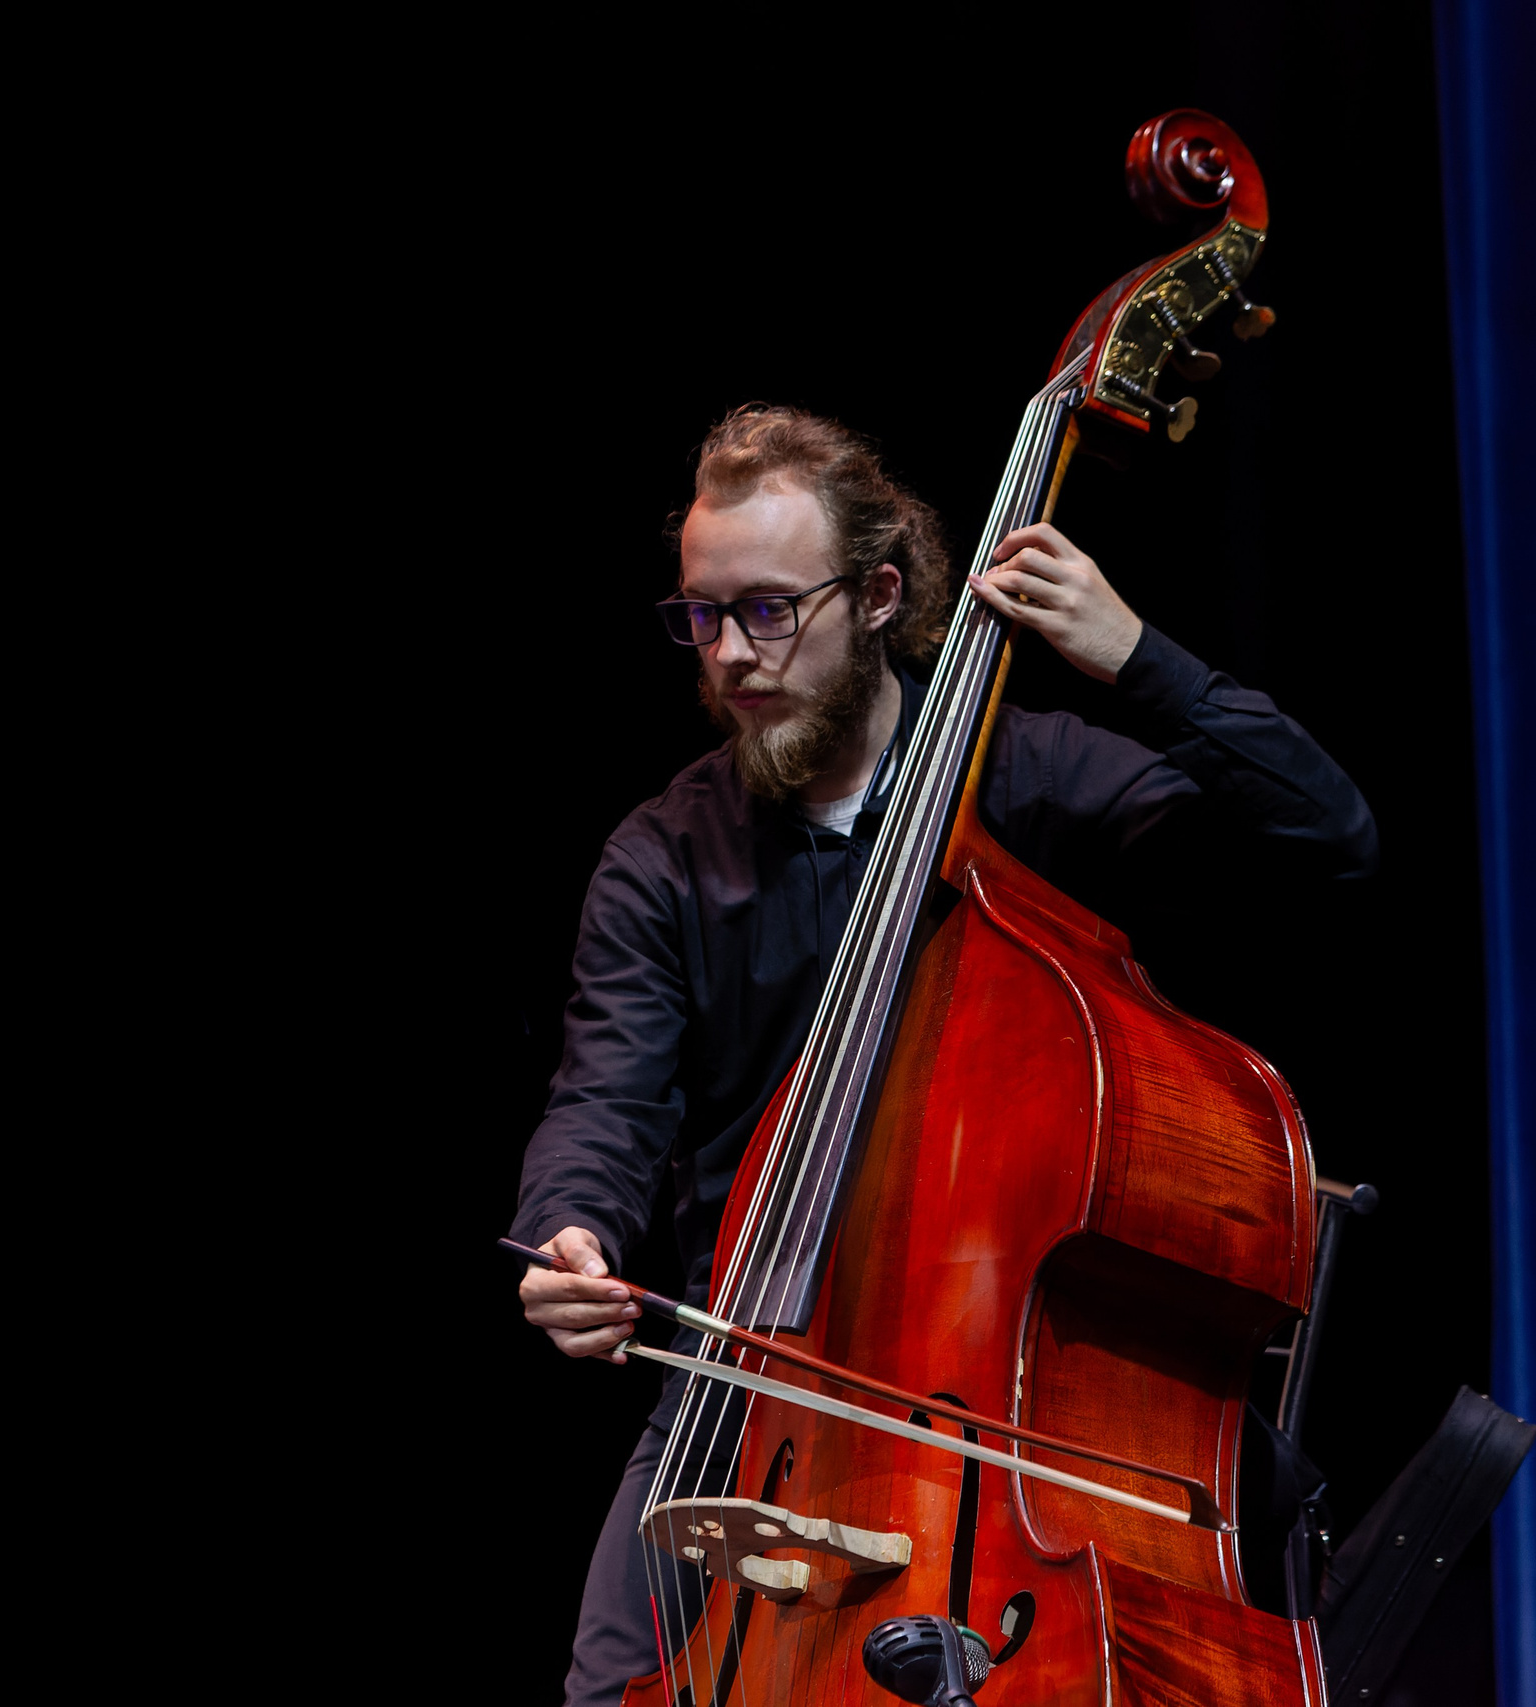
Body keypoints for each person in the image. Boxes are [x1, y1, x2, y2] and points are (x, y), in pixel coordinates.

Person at [512, 403, 1377, 1704]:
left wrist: (1139, 659)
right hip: (750, 1385)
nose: (731, 655)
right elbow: (606, 1097)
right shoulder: (664, 855)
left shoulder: (1029, 780)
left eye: (767, 611)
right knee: (611, 1688)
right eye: (701, 615)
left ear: (877, 594)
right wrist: (569, 1229)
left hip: (997, 1420)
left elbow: (1328, 840)